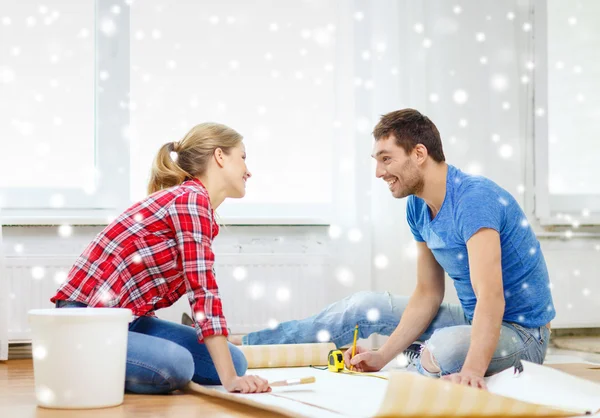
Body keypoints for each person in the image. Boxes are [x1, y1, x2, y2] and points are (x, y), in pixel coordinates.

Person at [229, 109, 555, 389]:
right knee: (364, 305)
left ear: (419, 153)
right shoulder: (417, 206)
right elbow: (428, 293)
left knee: (443, 348)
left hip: (523, 334)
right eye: (377, 161)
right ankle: (244, 346)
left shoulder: (474, 199)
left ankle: (427, 357)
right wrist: (383, 356)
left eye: (387, 159)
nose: (379, 172)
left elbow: (491, 297)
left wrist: (472, 371)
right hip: (474, 321)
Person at [51, 122, 271, 394]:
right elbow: (203, 291)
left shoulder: (196, 205)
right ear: (220, 156)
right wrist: (231, 383)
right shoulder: (191, 200)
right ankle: (76, 358)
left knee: (234, 362)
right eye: (243, 157)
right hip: (87, 320)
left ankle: (97, 360)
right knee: (176, 365)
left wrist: (231, 375)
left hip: (128, 320)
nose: (248, 171)